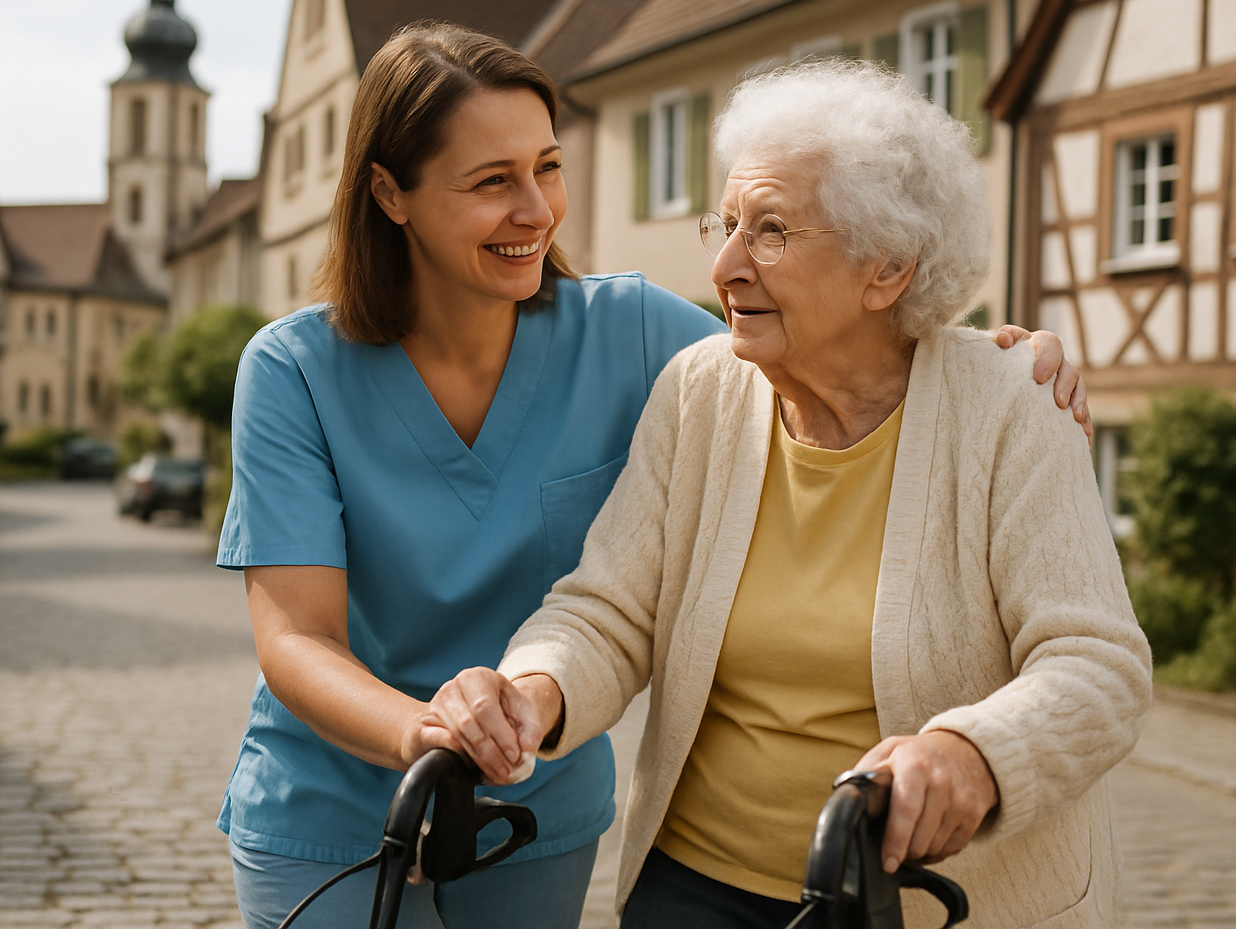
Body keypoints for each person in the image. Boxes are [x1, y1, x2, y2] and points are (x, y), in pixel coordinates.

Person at [219, 25, 1091, 929]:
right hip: (335, 805)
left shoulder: (631, 332)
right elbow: (297, 640)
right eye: (491, 182)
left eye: (547, 167)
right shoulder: (292, 371)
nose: (537, 210)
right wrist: (429, 734)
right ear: (389, 193)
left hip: (529, 806)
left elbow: (829, 351)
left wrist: (991, 355)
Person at [426, 60, 1152, 929]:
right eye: (726, 224)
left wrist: (971, 753)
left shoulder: (1008, 406)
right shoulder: (701, 388)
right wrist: (532, 690)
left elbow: (1096, 664)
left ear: (886, 267)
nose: (727, 265)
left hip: (920, 898)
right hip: (696, 883)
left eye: (770, 232)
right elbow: (608, 609)